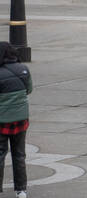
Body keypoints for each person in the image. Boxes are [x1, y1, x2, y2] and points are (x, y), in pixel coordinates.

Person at [0, 42, 32, 198]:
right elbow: (29, 90)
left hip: (2, 120)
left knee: (0, 154)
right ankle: (21, 190)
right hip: (21, 120)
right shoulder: (24, 69)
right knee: (19, 155)